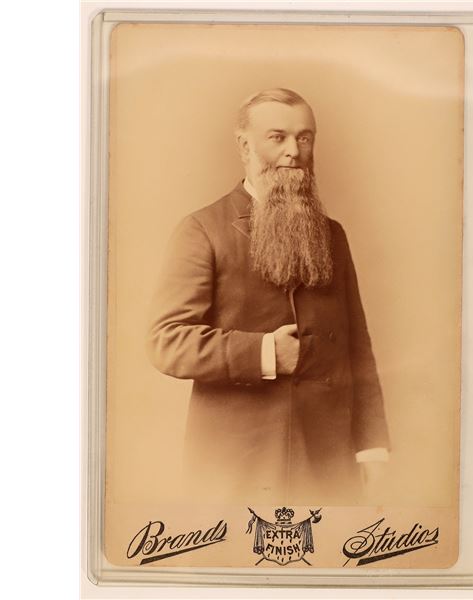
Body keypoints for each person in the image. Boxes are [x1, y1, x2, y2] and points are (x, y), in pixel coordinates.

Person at [147, 88, 390, 505]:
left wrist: (371, 447)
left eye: (304, 137)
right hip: (237, 463)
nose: (294, 151)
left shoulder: (332, 235)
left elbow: (357, 347)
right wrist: (263, 353)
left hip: (328, 461)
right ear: (245, 146)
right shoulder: (202, 230)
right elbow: (166, 341)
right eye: (277, 137)